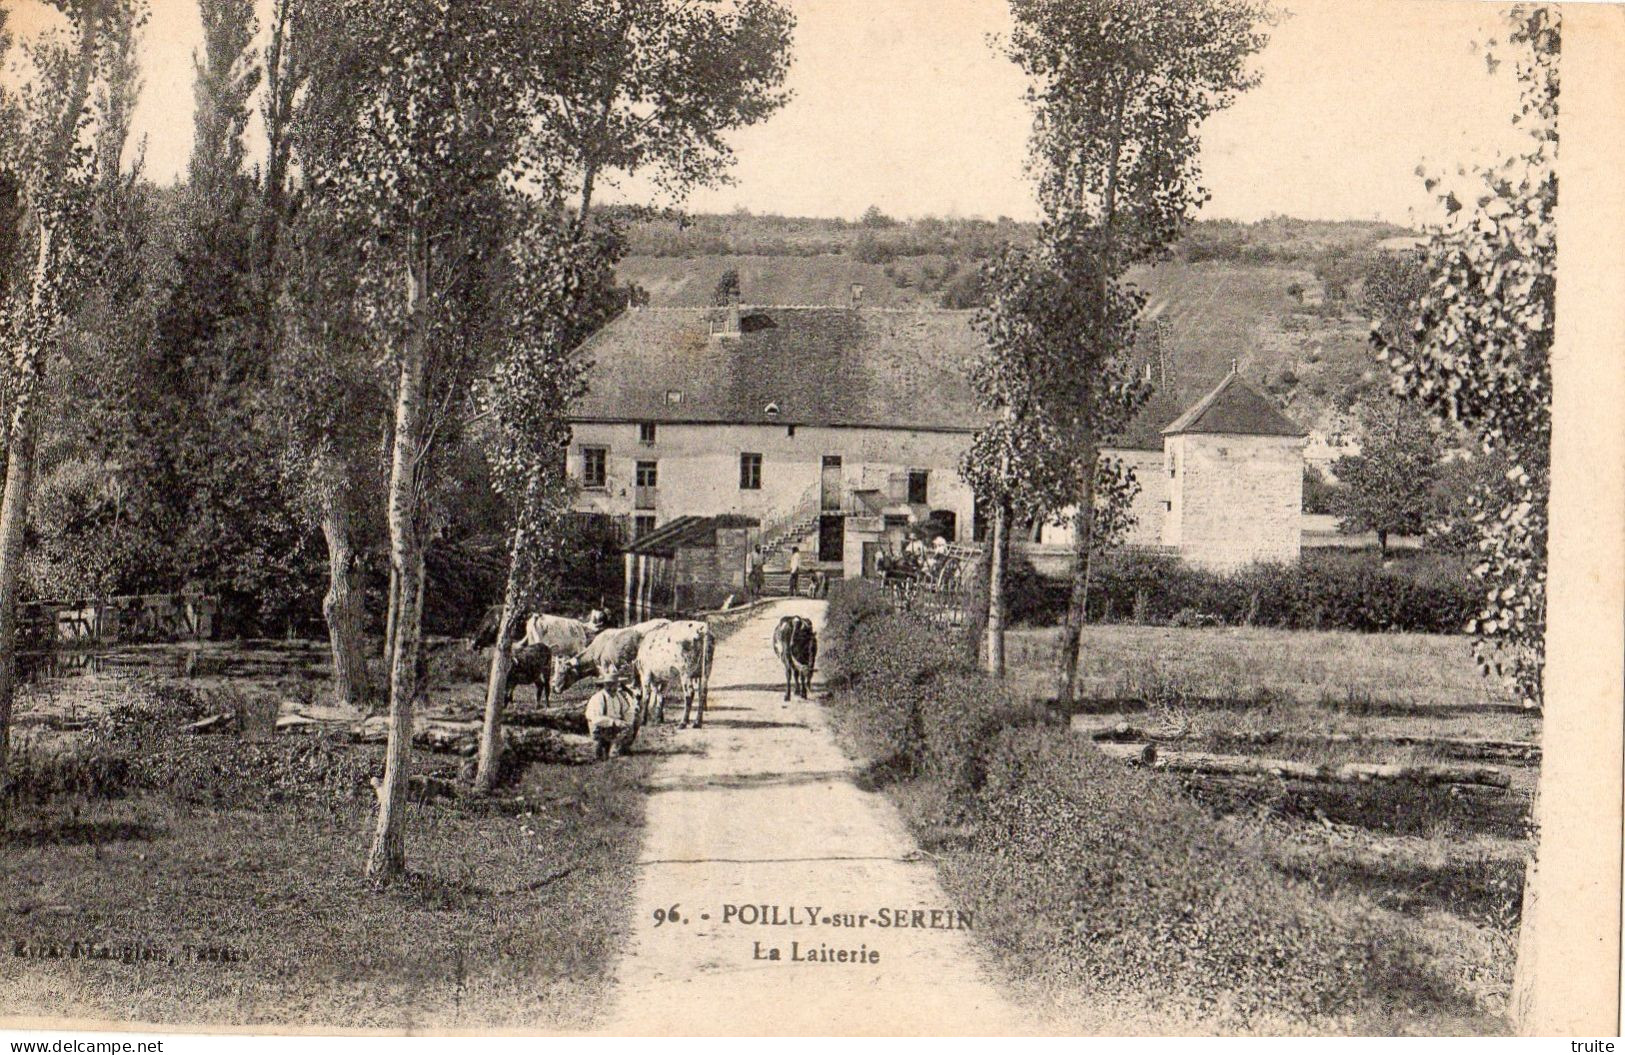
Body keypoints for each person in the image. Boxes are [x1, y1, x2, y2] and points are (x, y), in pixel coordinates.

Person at [583, 665, 641, 761]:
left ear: (617, 684)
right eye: (608, 685)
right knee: (601, 753)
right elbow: (595, 719)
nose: (611, 688)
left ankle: (620, 748)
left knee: (635, 721)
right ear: (604, 685)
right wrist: (614, 722)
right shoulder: (598, 698)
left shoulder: (619, 696)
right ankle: (608, 749)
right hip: (600, 729)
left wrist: (628, 722)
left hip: (615, 728)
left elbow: (627, 711)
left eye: (614, 684)